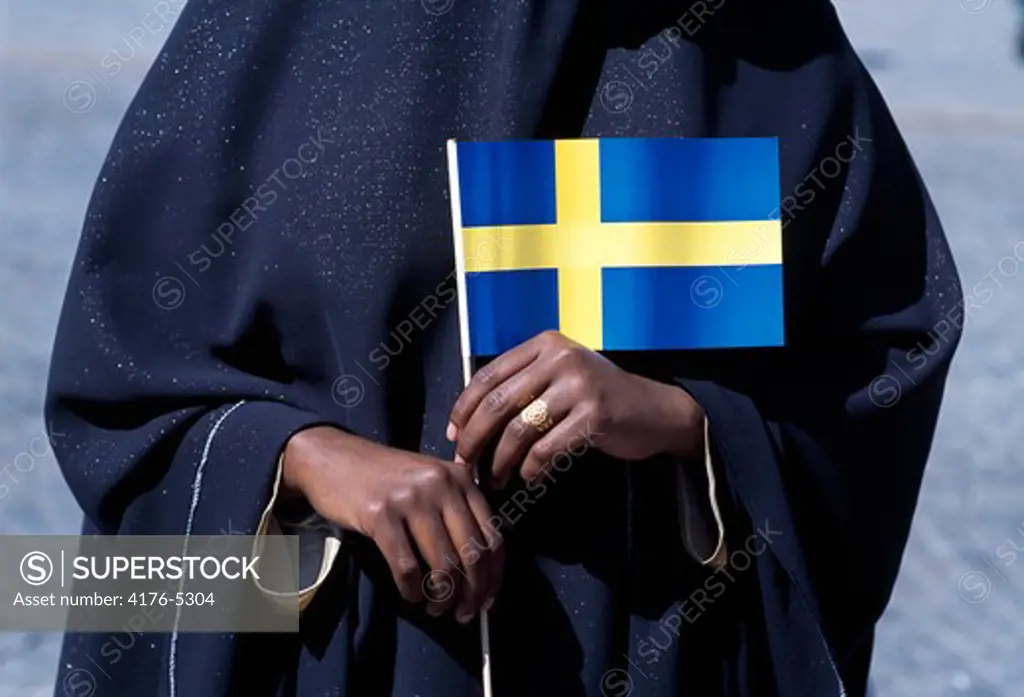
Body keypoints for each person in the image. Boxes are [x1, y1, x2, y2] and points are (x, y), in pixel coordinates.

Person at [46, 1, 962, 696]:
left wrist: (686, 420)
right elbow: (119, 384)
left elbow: (882, 354)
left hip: (654, 652)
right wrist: (304, 460)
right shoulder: (284, 27)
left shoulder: (764, 37)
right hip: (343, 656)